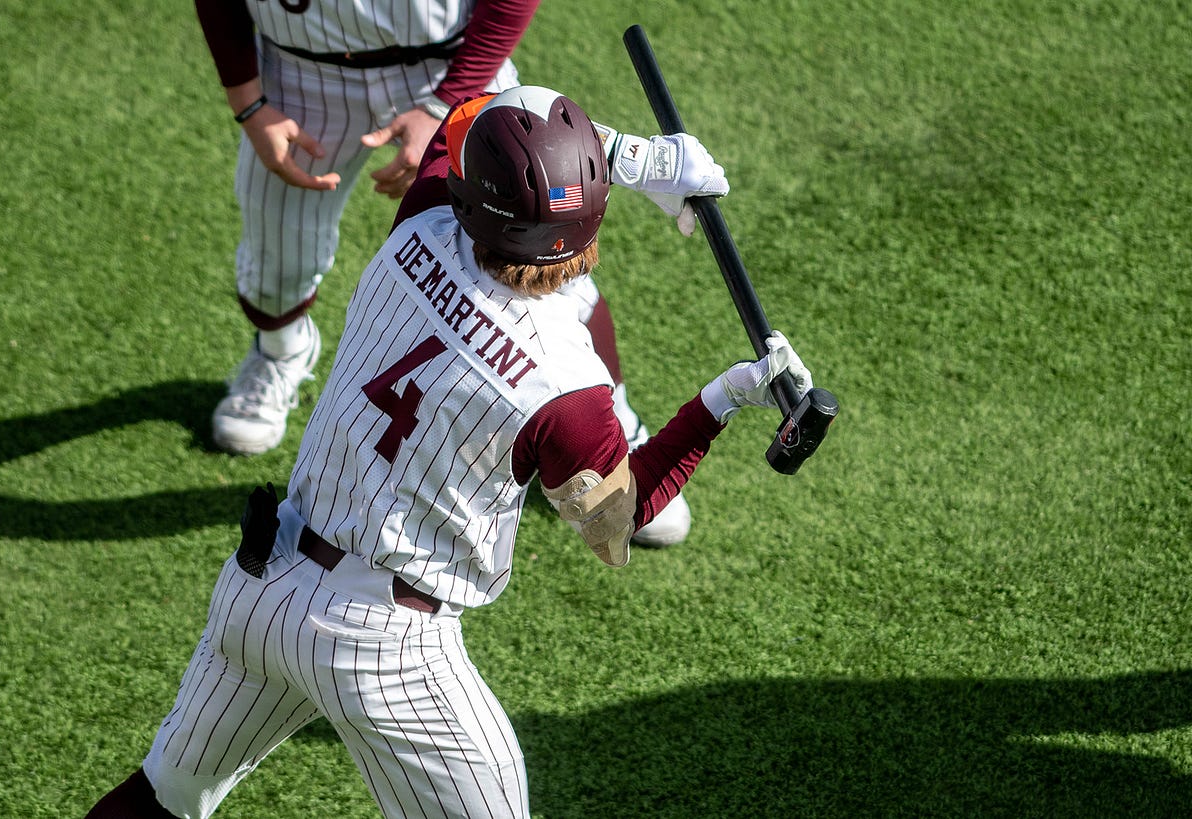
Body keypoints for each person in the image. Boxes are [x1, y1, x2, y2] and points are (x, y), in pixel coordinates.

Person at [85, 86, 813, 819]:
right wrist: (724, 398)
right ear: (591, 220)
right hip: (388, 649)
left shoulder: (423, 224)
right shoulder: (571, 387)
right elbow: (615, 524)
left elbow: (478, 110)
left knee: (161, 800)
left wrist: (633, 155)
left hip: (264, 586)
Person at [194, 0, 692, 546]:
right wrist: (248, 101)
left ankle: (606, 433)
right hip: (296, 77)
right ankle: (279, 353)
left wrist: (443, 103)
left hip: (454, 66)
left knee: (551, 266)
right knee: (277, 263)